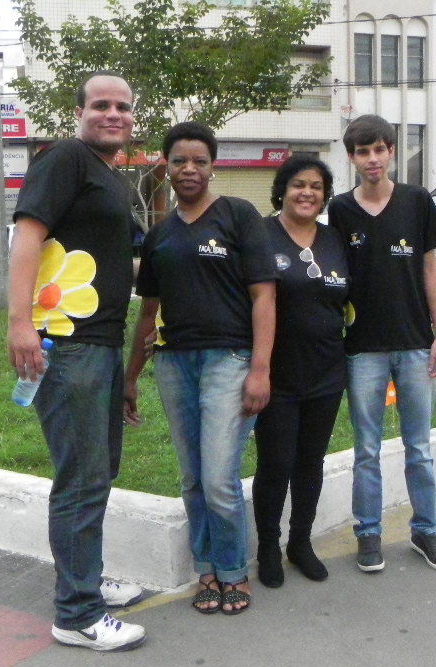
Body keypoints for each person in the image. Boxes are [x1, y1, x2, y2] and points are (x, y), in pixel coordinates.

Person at [6, 71, 147, 652]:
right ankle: (77, 613)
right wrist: (20, 324)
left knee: (99, 471)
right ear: (80, 111)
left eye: (123, 107)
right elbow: (26, 236)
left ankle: (85, 578)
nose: (113, 113)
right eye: (101, 105)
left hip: (102, 343)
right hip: (67, 341)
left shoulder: (108, 176)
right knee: (81, 478)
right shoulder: (65, 158)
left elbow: (137, 255)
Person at [125, 121, 276, 616]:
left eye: (200, 160)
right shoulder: (160, 235)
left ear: (214, 166)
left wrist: (260, 369)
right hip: (173, 364)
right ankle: (206, 571)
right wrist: (130, 379)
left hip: (228, 361)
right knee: (192, 479)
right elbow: (148, 313)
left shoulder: (237, 215)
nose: (189, 169)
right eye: (179, 160)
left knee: (218, 478)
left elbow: (263, 296)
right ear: (165, 166)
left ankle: (233, 571)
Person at [327, 114, 436, 573]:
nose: (372, 159)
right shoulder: (341, 210)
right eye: (363, 152)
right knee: (367, 449)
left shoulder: (418, 201)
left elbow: (429, 270)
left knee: (419, 447)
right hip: (363, 348)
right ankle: (368, 533)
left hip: (415, 345)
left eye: (380, 149)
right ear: (351, 157)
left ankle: (426, 530)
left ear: (392, 152)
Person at [252, 156, 348, 588]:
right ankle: (268, 546)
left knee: (311, 463)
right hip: (277, 374)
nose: (306, 192)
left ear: (325, 194)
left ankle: (300, 542)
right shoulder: (261, 235)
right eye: (297, 184)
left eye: (315, 186)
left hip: (327, 372)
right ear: (282, 189)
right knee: (275, 463)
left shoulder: (334, 240)